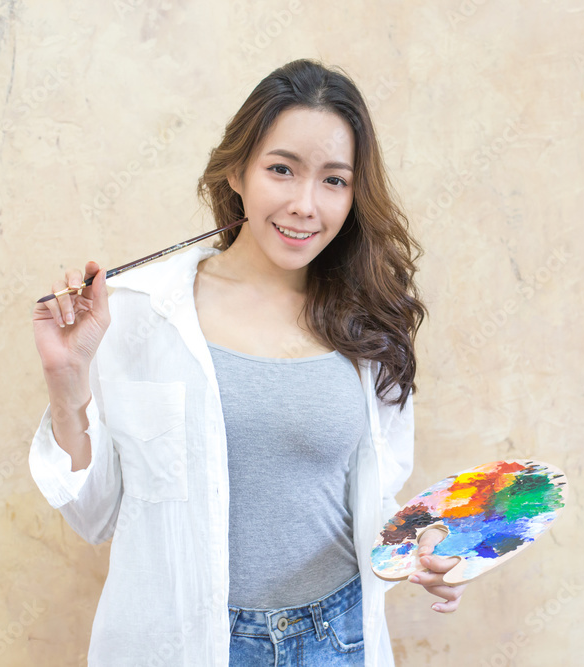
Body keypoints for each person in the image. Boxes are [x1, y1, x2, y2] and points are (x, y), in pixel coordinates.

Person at [28, 59, 466, 667]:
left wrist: (420, 549)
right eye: (282, 170)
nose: (305, 204)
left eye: (334, 180)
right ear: (236, 169)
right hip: (187, 643)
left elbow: (373, 496)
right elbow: (93, 516)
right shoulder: (138, 314)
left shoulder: (368, 321)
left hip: (337, 639)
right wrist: (67, 380)